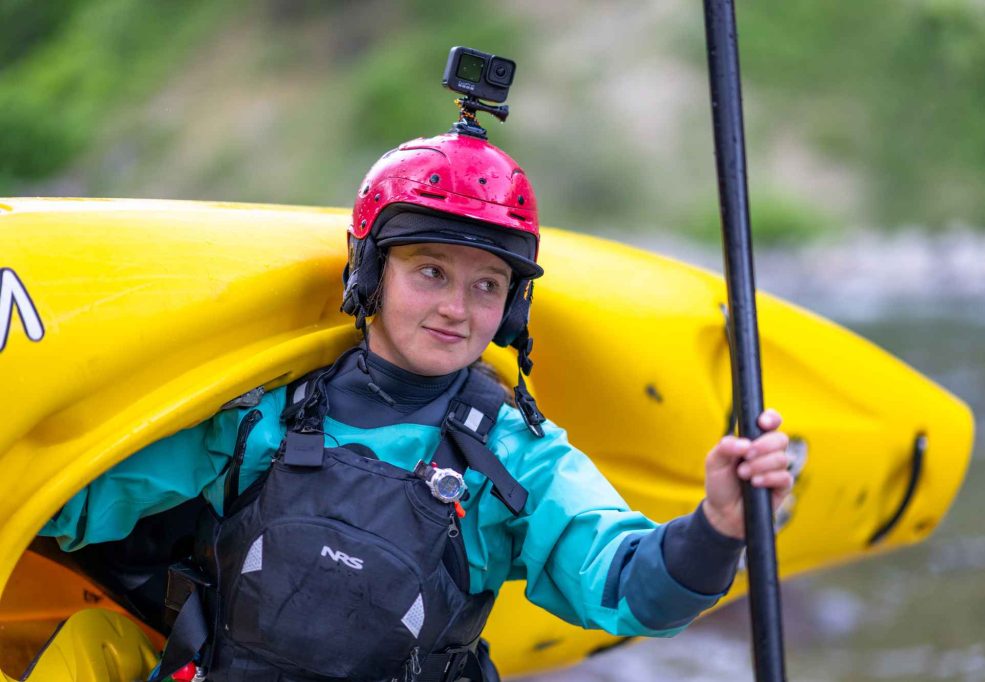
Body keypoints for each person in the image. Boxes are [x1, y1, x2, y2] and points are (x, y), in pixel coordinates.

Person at [40, 131, 793, 682]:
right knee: (91, 645)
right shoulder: (261, 417)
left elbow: (630, 587)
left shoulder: (514, 456)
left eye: (487, 285)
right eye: (430, 271)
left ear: (512, 307)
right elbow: (77, 503)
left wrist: (718, 528)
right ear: (369, 268)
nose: (457, 310)